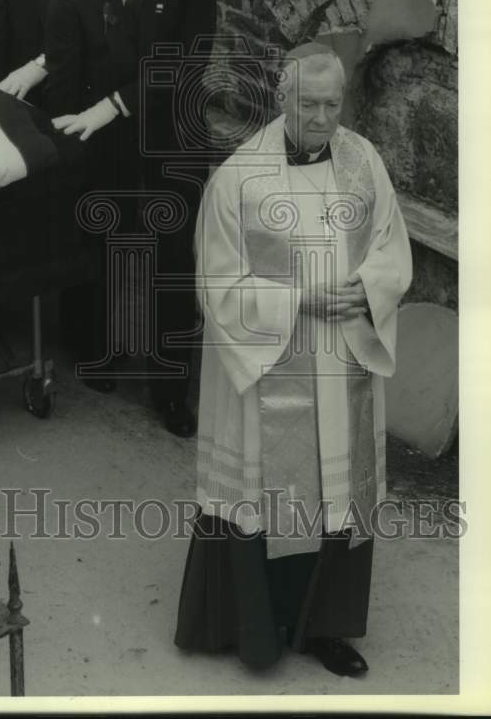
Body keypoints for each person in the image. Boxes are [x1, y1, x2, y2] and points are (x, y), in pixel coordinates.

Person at [174, 45, 412, 676]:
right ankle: (259, 630)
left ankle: (325, 629)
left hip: (341, 361)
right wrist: (300, 298)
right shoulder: (237, 179)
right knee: (268, 494)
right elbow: (216, 286)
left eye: (334, 104)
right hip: (270, 365)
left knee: (337, 492)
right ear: (281, 97)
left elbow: (391, 242)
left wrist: (369, 287)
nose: (323, 118)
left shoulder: (365, 161)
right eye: (309, 104)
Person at [43, 0, 217, 437]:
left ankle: (170, 390)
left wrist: (118, 104)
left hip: (171, 132)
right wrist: (72, 137)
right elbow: (64, 73)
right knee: (106, 245)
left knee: (171, 262)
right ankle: (102, 352)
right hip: (103, 142)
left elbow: (190, 61)